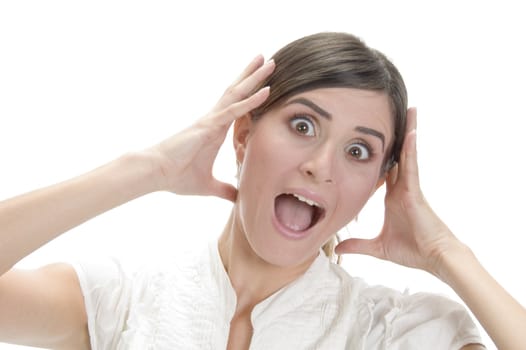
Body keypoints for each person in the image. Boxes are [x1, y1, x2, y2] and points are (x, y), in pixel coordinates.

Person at [0, 32, 524, 350]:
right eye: (302, 126)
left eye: (358, 151)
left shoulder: (397, 331)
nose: (321, 166)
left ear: (378, 186)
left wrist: (446, 253)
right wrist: (150, 169)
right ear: (244, 133)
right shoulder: (125, 300)